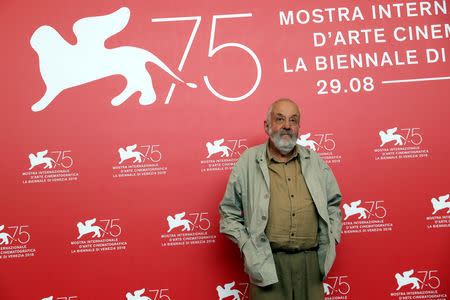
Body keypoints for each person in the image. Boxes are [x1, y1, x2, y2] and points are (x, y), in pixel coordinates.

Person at [219, 98, 342, 300]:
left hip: (310, 265)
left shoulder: (315, 161)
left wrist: (333, 236)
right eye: (280, 119)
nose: (287, 126)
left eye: (293, 120)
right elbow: (229, 213)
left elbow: (333, 205)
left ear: (299, 127)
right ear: (267, 126)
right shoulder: (248, 161)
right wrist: (247, 247)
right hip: (266, 264)